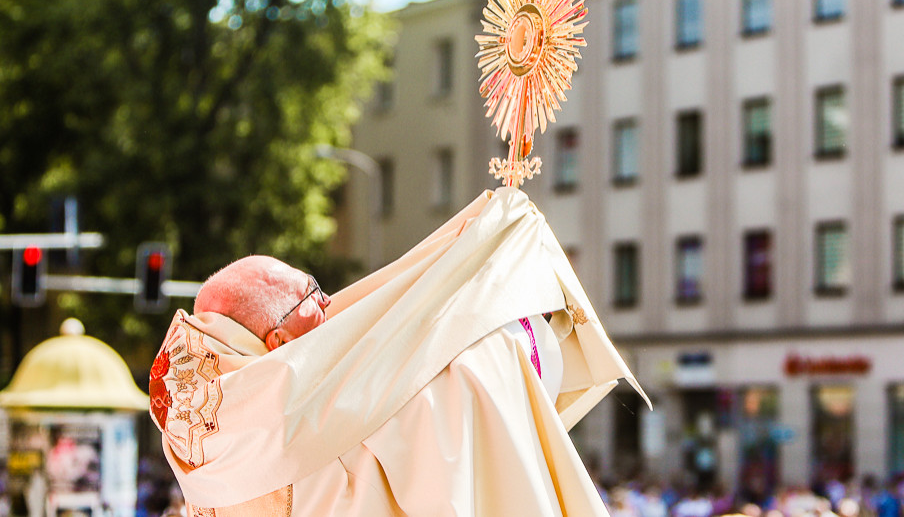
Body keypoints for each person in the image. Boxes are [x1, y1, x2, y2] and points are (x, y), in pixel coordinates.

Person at [150, 187, 648, 515]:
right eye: (311, 295)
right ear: (279, 342)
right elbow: (470, 389)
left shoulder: (208, 438)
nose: (329, 304)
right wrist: (502, 291)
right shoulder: (333, 428)